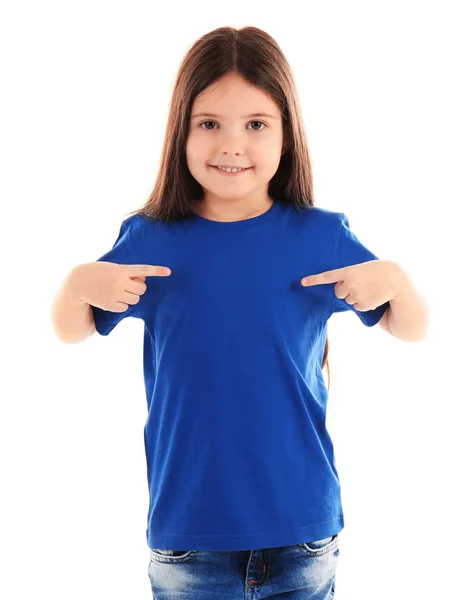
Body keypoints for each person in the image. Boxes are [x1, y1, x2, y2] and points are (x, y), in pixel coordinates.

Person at [51, 25, 427, 600]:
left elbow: (410, 326)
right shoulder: (151, 239)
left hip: (303, 532)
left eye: (256, 125)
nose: (232, 145)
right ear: (182, 131)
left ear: (286, 133)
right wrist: (76, 284)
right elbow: (72, 329)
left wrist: (397, 281)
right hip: (189, 537)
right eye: (209, 124)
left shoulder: (320, 236)